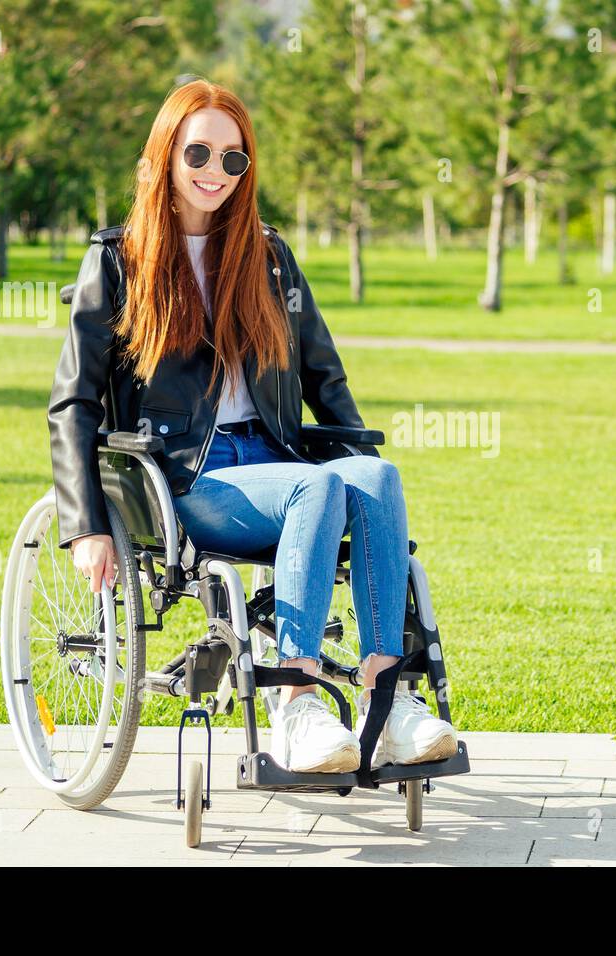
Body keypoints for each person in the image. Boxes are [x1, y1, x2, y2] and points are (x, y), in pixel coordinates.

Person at [47, 79, 456, 774]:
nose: (215, 171)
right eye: (199, 151)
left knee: (375, 476)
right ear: (167, 154)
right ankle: (296, 702)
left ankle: (387, 700)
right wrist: (84, 523)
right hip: (186, 477)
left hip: (275, 460)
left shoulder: (267, 256)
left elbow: (326, 378)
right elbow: (74, 403)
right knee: (315, 492)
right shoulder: (118, 260)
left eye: (233, 159)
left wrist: (355, 469)